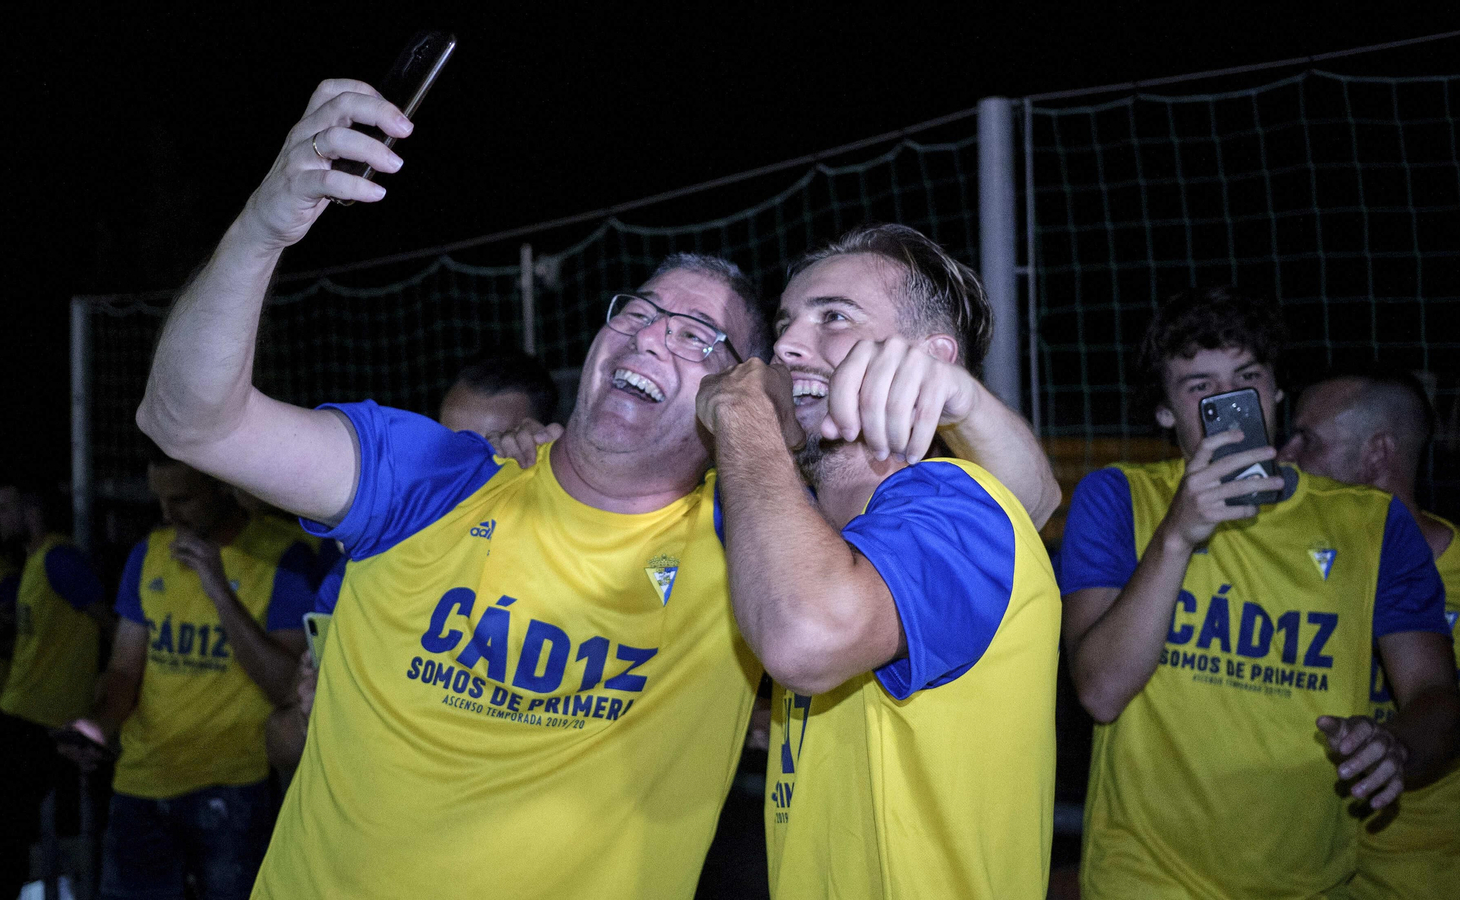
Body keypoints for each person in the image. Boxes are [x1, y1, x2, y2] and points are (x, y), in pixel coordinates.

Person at [136, 78, 1055, 900]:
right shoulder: (442, 474)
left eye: (703, 340)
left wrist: (950, 397)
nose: (657, 336)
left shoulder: (758, 537)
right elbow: (189, 421)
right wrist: (263, 226)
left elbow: (1015, 510)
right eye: (643, 311)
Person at [1056, 286, 1460, 898]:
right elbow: (1101, 691)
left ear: (1276, 391)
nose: (1228, 403)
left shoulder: (1371, 524)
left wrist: (1395, 746)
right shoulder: (1119, 499)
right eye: (1198, 388)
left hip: (1309, 884)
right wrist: (1176, 536)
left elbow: (1438, 702)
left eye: (1246, 377)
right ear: (1165, 410)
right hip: (1144, 879)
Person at [696, 224, 1060, 898]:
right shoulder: (777, 507)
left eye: (834, 316)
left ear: (930, 358)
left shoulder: (958, 506)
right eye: (786, 321)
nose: (787, 345)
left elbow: (806, 637)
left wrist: (742, 412)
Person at [1280, 366, 1460, 899]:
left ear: (1377, 453)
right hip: (1309, 883)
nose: (1285, 454)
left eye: (1306, 439)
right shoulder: (1292, 570)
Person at [264, 349, 562, 775]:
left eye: (490, 448)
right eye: (450, 443)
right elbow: (280, 747)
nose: (463, 464)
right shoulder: (360, 573)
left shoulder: (575, 572)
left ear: (538, 443)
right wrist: (309, 717)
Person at [57, 452, 314, 900]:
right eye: (160, 500)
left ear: (225, 487)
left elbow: (284, 688)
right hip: (141, 784)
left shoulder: (284, 555)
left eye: (183, 500)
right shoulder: (149, 554)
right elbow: (123, 671)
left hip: (232, 789)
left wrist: (218, 588)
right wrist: (97, 724)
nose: (167, 514)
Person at [0, 482, 109, 899]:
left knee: (14, 837)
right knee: (15, 837)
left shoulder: (60, 559)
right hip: (25, 714)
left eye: (4, 508)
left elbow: (109, 624)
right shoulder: (34, 561)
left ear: (32, 512)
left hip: (43, 721)